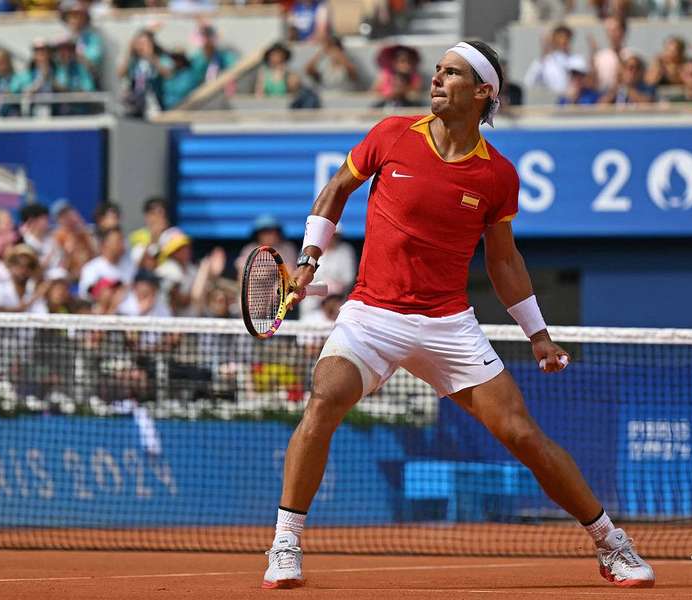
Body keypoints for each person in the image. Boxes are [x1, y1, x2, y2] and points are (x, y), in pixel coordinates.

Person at [261, 40, 655, 590]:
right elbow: (335, 190)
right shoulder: (392, 134)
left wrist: (538, 334)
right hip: (371, 316)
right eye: (438, 70)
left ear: (483, 91)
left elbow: (504, 261)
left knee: (522, 435)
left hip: (447, 325)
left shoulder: (496, 175)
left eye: (452, 73)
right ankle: (285, 541)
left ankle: (611, 543)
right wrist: (308, 259)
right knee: (325, 399)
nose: (437, 80)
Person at [523, 25, 583, 96]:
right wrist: (544, 54)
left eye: (566, 37)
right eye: (560, 37)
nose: (563, 41)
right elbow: (529, 82)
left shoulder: (577, 60)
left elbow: (585, 83)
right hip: (549, 102)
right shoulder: (543, 61)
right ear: (553, 39)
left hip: (573, 102)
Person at [590, 17, 627, 93]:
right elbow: (595, 84)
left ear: (623, 32)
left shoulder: (631, 55)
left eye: (615, 30)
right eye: (609, 30)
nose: (612, 34)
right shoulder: (600, 56)